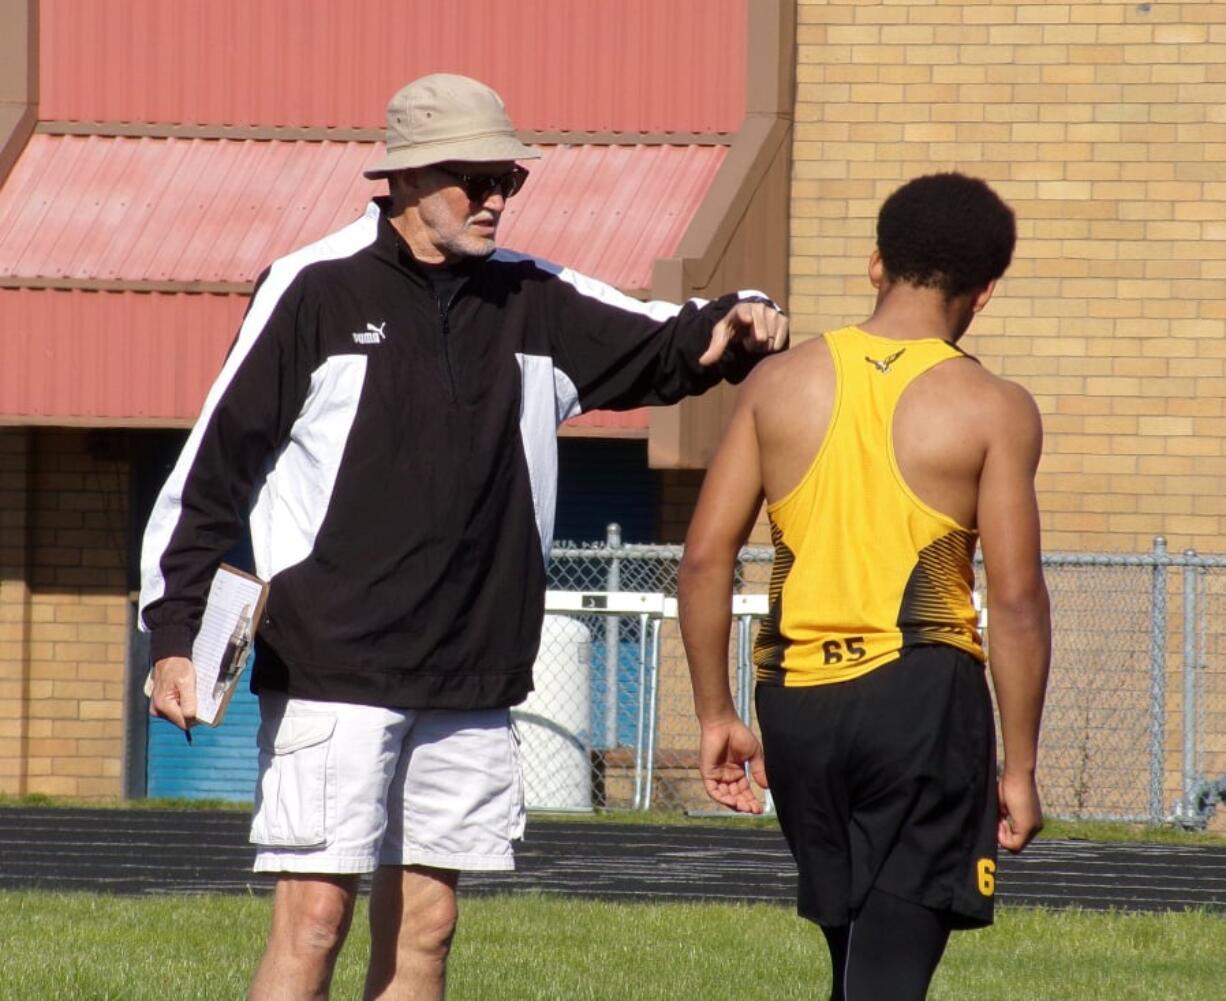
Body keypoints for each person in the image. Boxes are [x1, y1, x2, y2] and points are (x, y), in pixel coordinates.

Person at [138, 72, 786, 1000]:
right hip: (336, 667)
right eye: (471, 179)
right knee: (315, 918)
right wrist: (174, 632)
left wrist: (744, 313)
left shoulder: (535, 300)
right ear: (401, 178)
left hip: (471, 675)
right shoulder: (312, 288)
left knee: (429, 933)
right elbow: (212, 473)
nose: (494, 198)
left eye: (507, 180)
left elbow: (674, 338)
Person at [678, 172, 1050, 1000]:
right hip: (919, 696)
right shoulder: (993, 406)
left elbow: (705, 559)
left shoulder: (776, 383)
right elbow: (1017, 600)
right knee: (887, 970)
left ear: (875, 263)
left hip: (796, 703)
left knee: (853, 958)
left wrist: (716, 714)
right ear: (985, 293)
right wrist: (1018, 766)